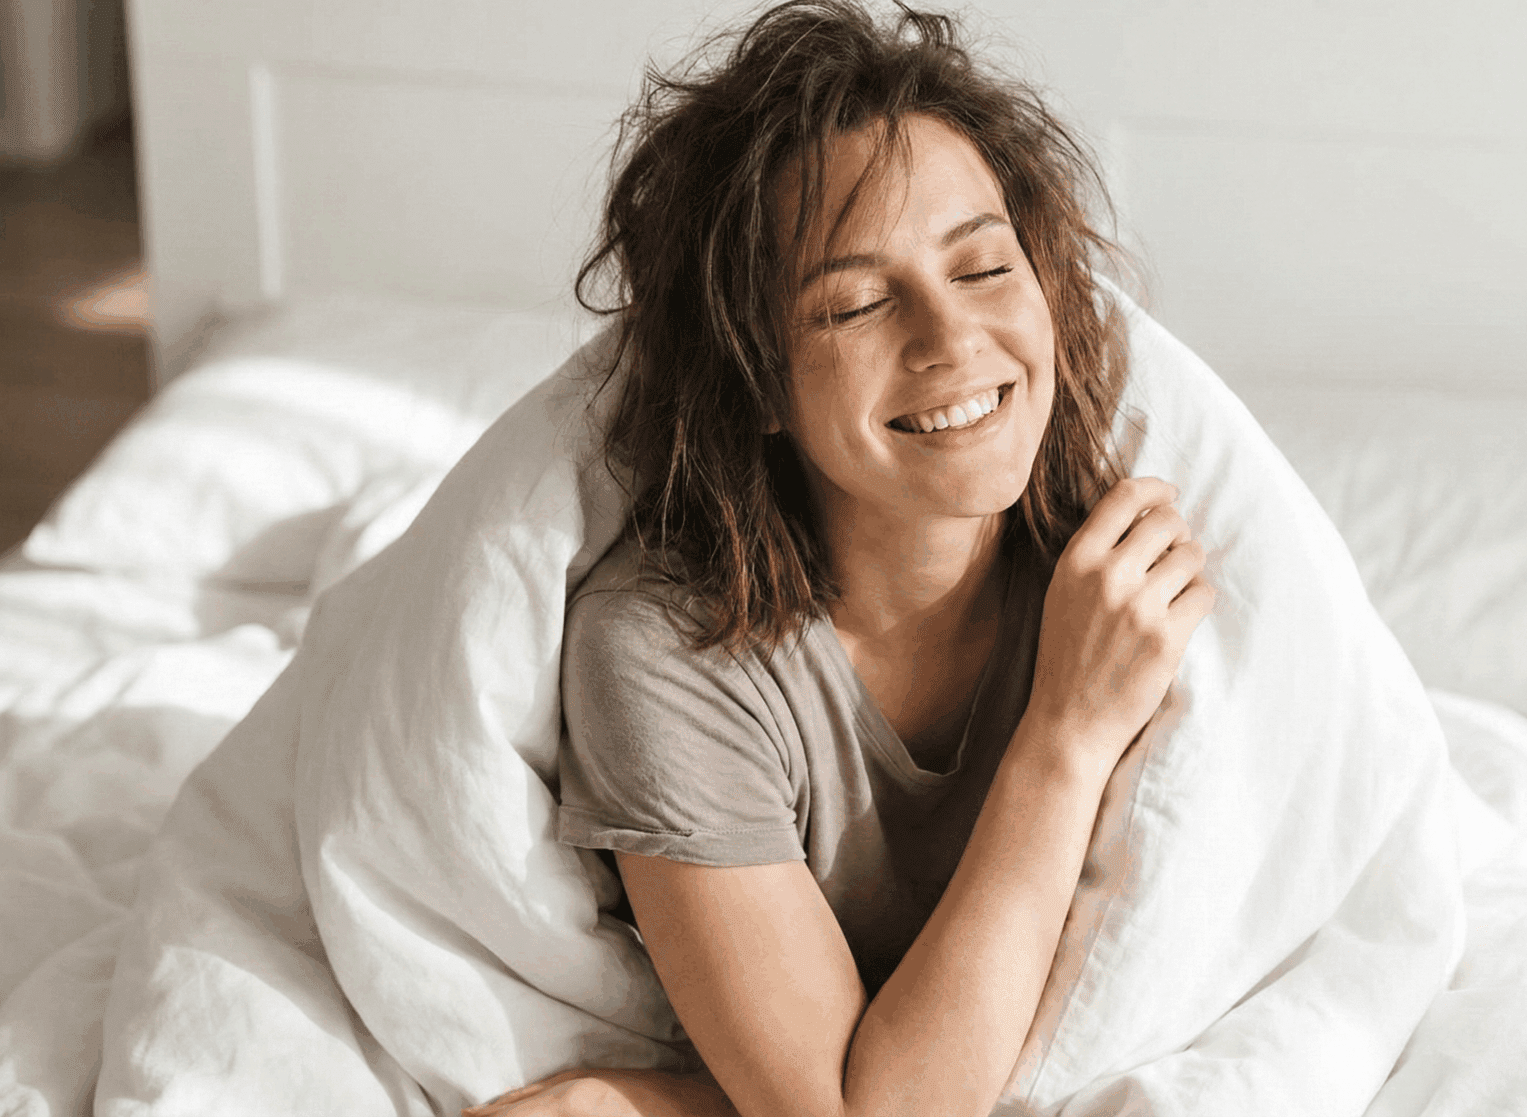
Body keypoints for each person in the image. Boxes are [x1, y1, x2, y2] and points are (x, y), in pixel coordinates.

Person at [469, 3, 1213, 1115]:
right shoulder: (669, 651)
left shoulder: (1117, 554)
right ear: (757, 376)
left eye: (981, 269)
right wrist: (1064, 738)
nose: (950, 340)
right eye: (856, 302)